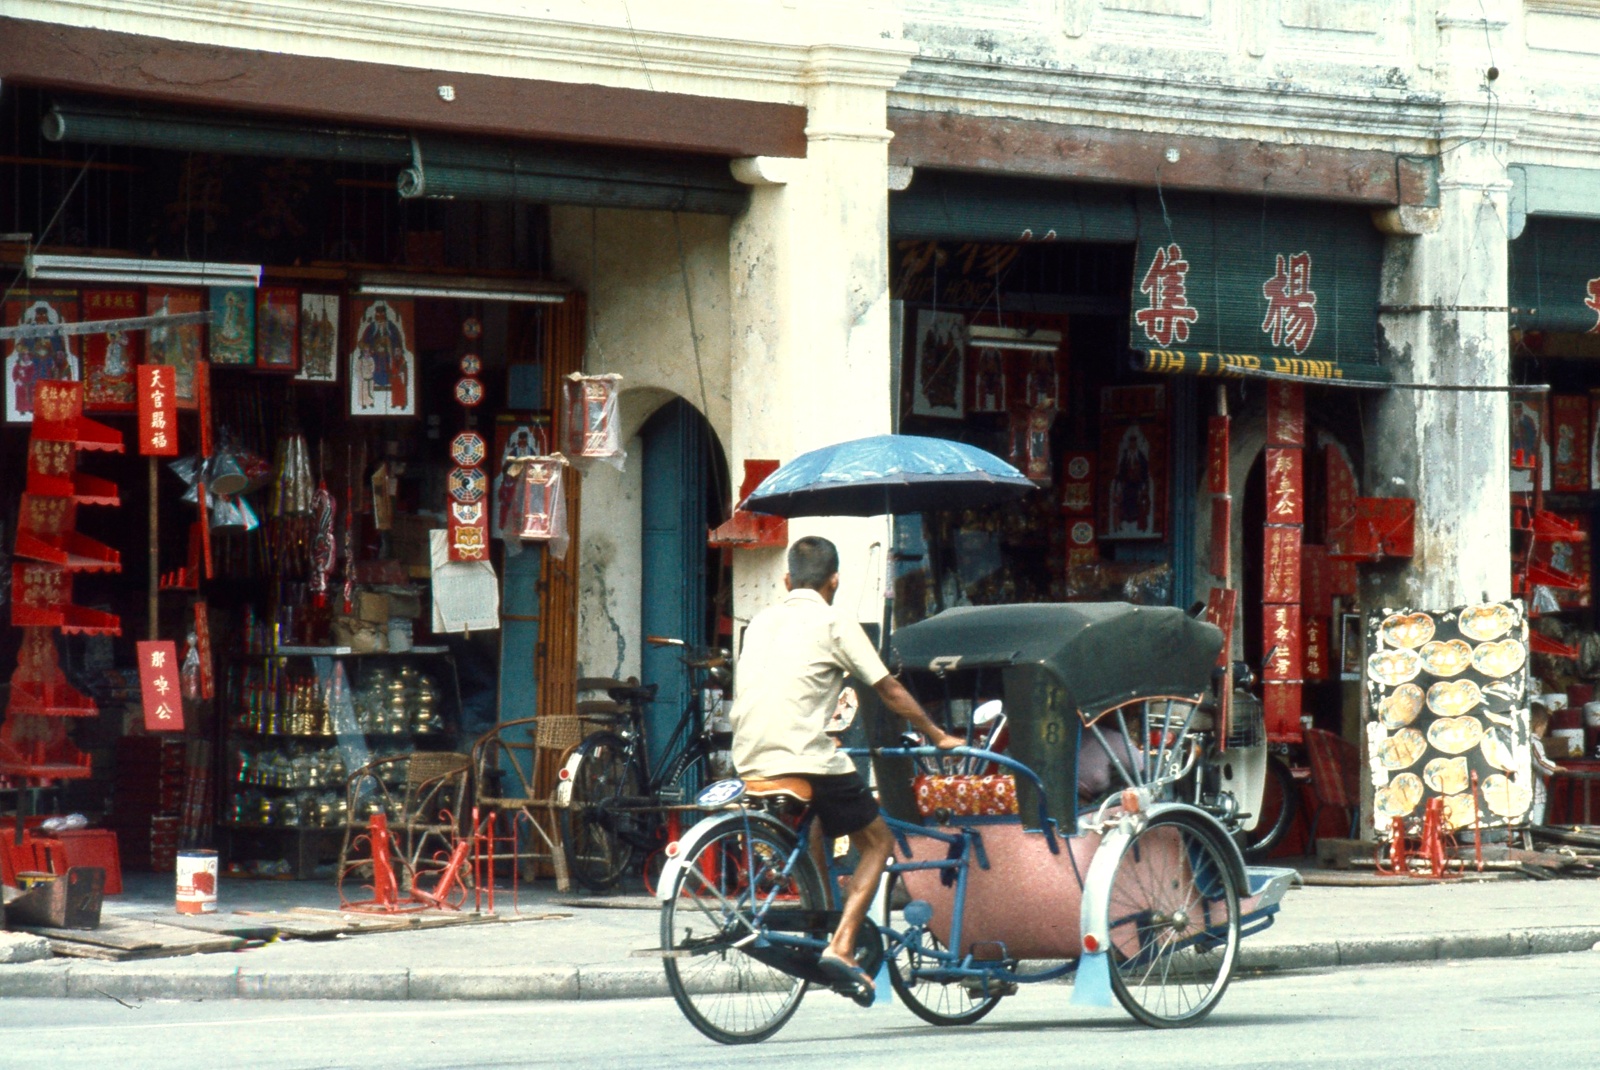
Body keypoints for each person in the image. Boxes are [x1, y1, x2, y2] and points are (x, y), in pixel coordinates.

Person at [730, 535, 961, 999]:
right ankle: (841, 943)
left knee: (814, 823)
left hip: (748, 754)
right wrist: (938, 735)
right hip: (803, 754)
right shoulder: (834, 620)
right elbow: (888, 690)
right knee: (879, 841)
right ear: (834, 581)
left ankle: (820, 923)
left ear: (786, 580)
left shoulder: (759, 622)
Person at [1530, 703, 1564, 826]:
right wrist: (1553, 768)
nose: (1544, 730)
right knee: (1537, 822)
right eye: (1544, 726)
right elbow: (1540, 761)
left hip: (1531, 793)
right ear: (1538, 725)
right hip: (1535, 793)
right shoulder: (1533, 742)